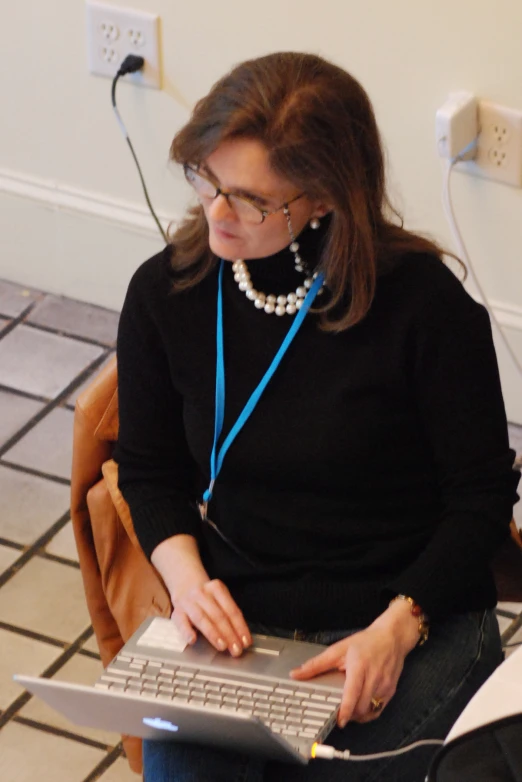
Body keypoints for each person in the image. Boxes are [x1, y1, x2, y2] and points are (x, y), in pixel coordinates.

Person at [114, 51, 520, 782]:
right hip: (241, 619)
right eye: (206, 180)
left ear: (326, 200)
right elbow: (149, 471)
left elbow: (482, 500)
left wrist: (397, 629)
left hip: (407, 611)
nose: (216, 213)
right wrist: (185, 581)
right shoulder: (164, 295)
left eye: (250, 199)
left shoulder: (426, 310)